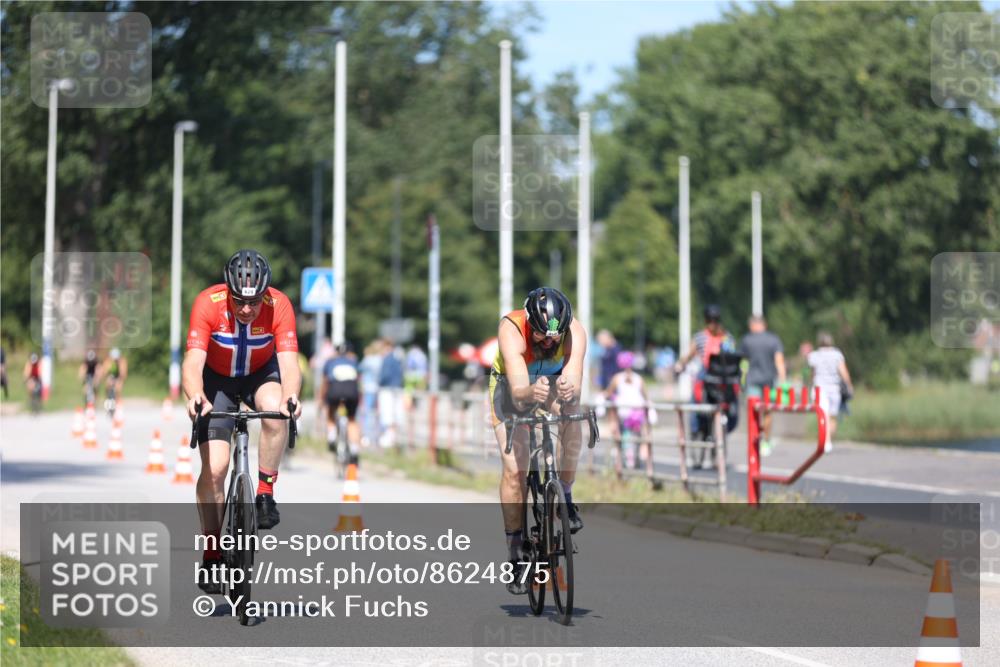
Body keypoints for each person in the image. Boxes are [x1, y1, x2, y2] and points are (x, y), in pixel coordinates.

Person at [182, 249, 302, 594]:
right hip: (217, 380)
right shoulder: (208, 302)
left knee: (276, 410)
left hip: (259, 375)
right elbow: (192, 363)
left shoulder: (279, 305)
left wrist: (291, 396)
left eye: (254, 301)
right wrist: (195, 396)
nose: (247, 309)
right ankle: (211, 551)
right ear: (228, 292)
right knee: (216, 469)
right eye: (239, 301)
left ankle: (264, 493)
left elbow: (290, 365)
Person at [489, 287, 587, 595]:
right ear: (531, 325)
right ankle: (515, 548)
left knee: (573, 412)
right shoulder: (512, 328)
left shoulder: (574, 331)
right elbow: (519, 394)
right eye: (542, 336)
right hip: (511, 389)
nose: (548, 342)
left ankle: (566, 497)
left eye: (553, 338)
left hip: (551, 384)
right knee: (514, 472)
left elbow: (574, 380)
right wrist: (532, 393)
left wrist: (569, 391)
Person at [674, 305, 740, 451]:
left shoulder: (706, 337)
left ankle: (697, 428)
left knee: (695, 403)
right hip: (719, 380)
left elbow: (689, 356)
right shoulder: (727, 338)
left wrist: (679, 366)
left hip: (715, 380)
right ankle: (700, 428)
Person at [739, 315, 786, 456]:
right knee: (767, 412)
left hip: (752, 381)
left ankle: (754, 440)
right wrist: (783, 380)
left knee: (753, 412)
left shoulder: (747, 340)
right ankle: (766, 441)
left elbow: (742, 362)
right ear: (764, 325)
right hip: (768, 382)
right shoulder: (773, 339)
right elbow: (779, 361)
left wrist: (741, 381)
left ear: (752, 325)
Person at [605, 350, 654, 481]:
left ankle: (624, 455)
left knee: (621, 431)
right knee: (642, 432)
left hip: (623, 412)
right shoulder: (639, 378)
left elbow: (608, 393)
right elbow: (645, 396)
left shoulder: (617, 378)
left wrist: (609, 397)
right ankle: (643, 451)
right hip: (637, 412)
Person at [807, 332, 854, 451]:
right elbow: (844, 372)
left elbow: (812, 374)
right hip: (834, 389)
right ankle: (828, 440)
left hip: (819, 389)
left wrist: (809, 385)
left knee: (823, 415)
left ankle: (825, 439)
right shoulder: (837, 355)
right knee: (832, 416)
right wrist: (849, 385)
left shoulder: (814, 355)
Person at [321, 342, 361, 463]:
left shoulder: (330, 362)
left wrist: (322, 399)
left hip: (335, 390)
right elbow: (358, 381)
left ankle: (332, 437)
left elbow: (326, 382)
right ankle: (354, 450)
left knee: (330, 413)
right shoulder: (353, 361)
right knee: (352, 419)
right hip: (351, 390)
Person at [377, 340, 405, 448]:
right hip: (397, 387)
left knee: (387, 413)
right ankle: (393, 436)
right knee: (396, 412)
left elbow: (385, 375)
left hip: (387, 388)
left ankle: (389, 437)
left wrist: (379, 382)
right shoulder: (398, 358)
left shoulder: (387, 359)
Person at [358, 340, 384, 445]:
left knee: (367, 411)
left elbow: (359, 369)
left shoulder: (367, 360)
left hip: (368, 388)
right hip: (378, 388)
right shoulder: (380, 360)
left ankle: (366, 436)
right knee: (378, 413)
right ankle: (378, 435)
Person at [100, 348, 128, 412]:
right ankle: (107, 402)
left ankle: (118, 404)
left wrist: (120, 380)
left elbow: (123, 373)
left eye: (116, 358)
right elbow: (104, 372)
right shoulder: (108, 361)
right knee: (107, 386)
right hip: (110, 376)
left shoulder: (122, 361)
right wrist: (107, 377)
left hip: (118, 376)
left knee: (118, 389)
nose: (115, 360)